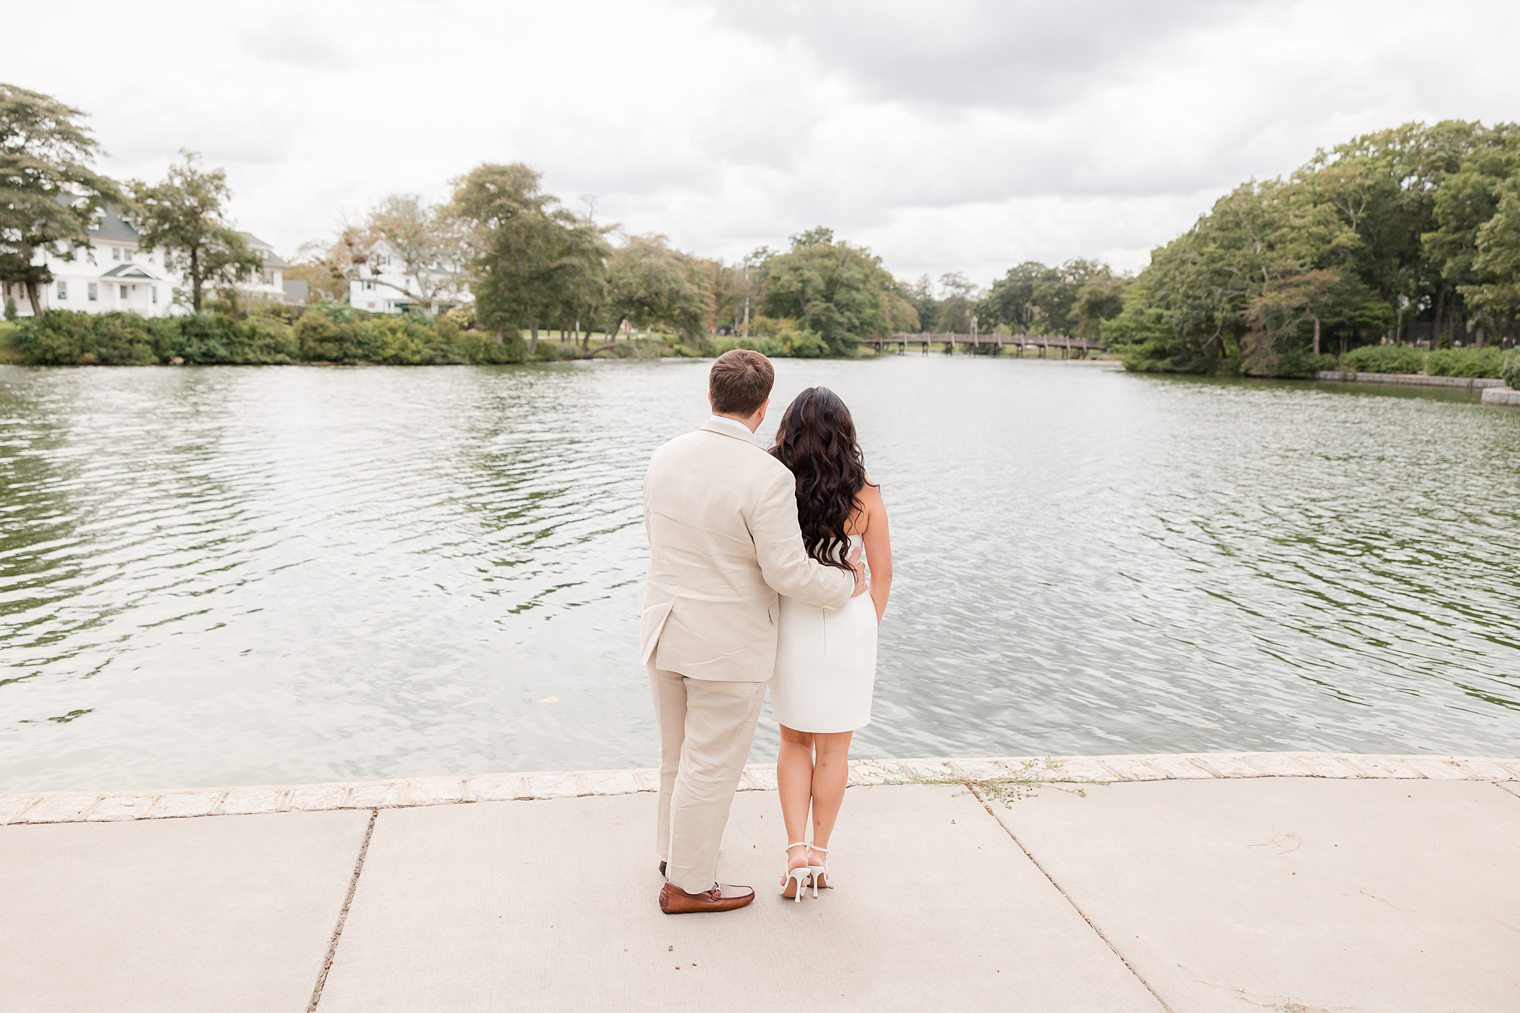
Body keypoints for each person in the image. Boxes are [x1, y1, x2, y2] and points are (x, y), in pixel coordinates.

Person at [640, 351, 866, 915]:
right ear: (763, 408)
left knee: (678, 756)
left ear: (710, 395)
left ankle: (675, 854)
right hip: (727, 644)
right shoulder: (767, 476)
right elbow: (786, 571)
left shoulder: (665, 455)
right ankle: (689, 888)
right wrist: (846, 584)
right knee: (711, 764)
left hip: (664, 630)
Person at [768, 387, 892, 902]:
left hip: (793, 621)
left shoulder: (773, 486)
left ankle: (795, 849)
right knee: (835, 747)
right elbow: (882, 574)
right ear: (846, 433)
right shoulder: (865, 494)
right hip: (850, 623)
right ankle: (819, 855)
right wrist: (866, 627)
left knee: (794, 739)